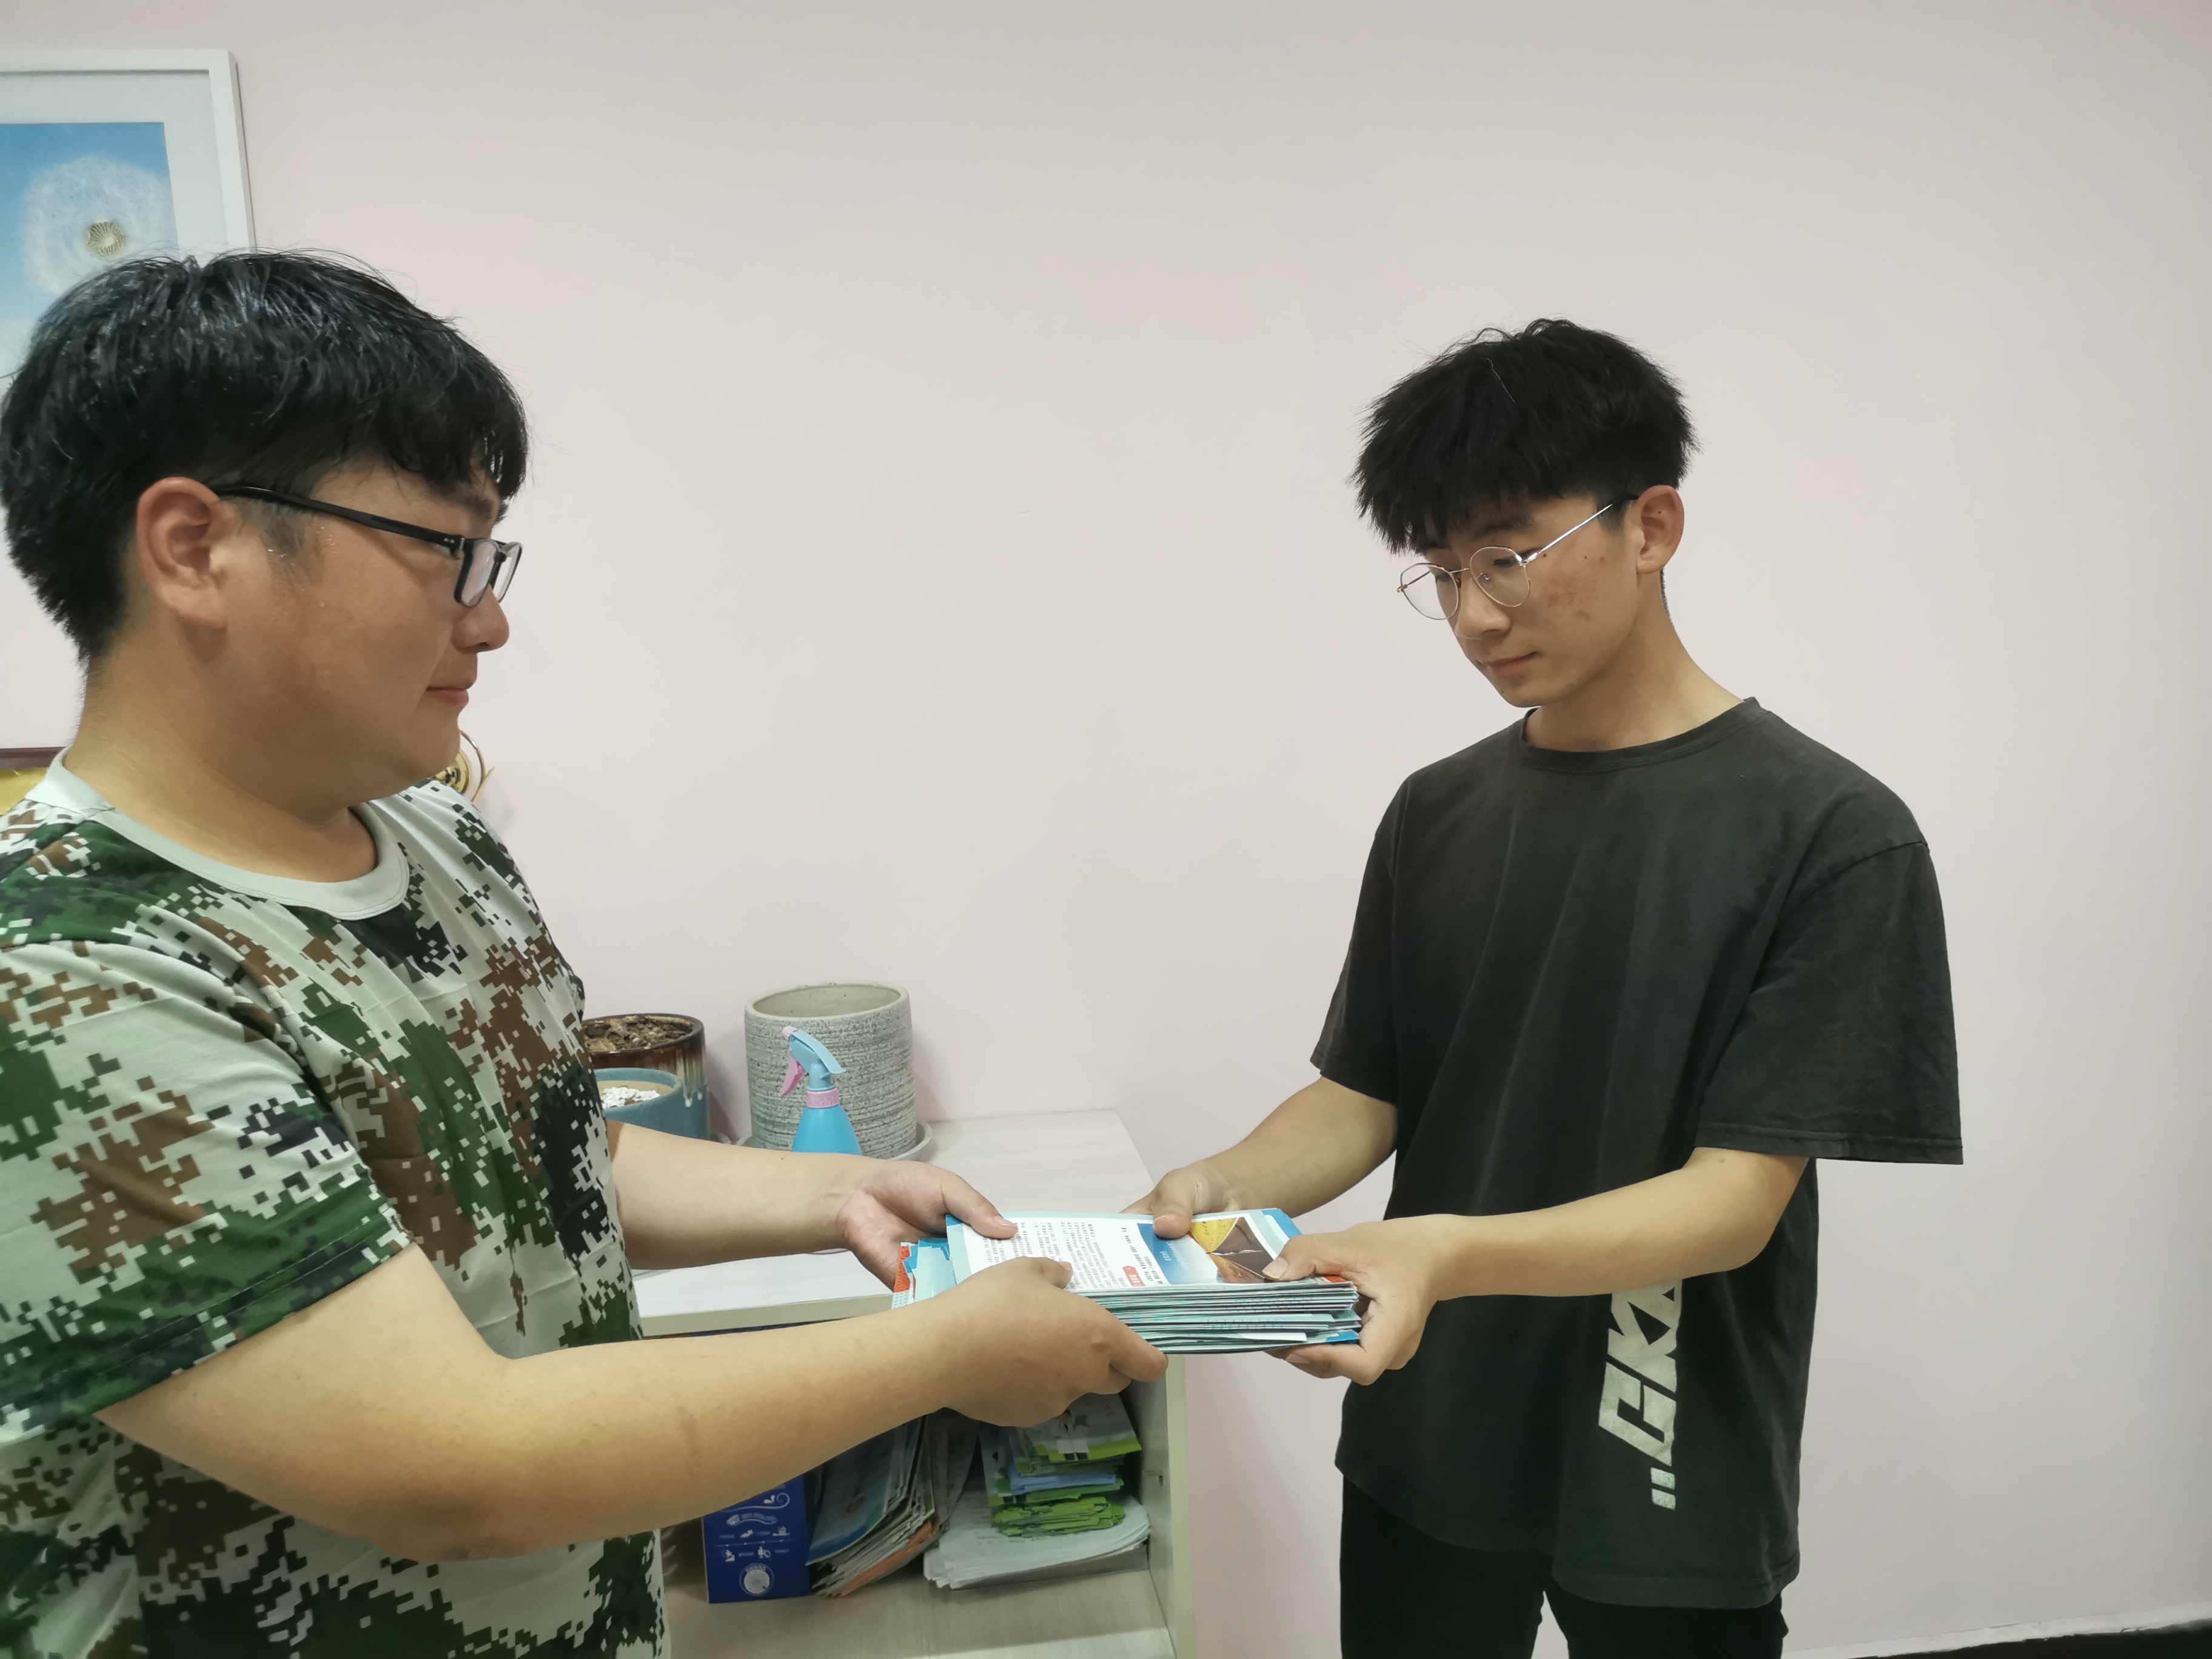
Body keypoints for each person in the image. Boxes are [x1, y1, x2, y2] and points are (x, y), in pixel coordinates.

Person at [0, 250, 1165, 1659]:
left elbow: (545, 1154)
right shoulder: (63, 973)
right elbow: (445, 1463)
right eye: (446, 552)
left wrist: (836, 1190)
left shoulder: (428, 832)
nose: (489, 618)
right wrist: (942, 1356)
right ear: (194, 548)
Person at [1130, 321, 1960, 1658]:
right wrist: (1222, 1185)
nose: (1475, 615)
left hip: (1664, 1431)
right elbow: (1366, 1094)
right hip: (1428, 1412)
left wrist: (1439, 1252)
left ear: (1652, 527)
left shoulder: (1828, 833)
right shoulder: (1438, 812)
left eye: (1510, 556)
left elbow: (1731, 1204)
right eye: (1442, 572)